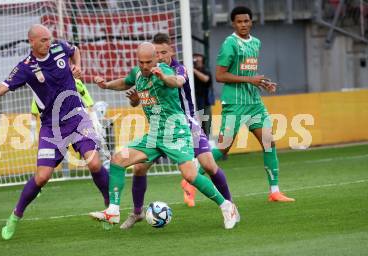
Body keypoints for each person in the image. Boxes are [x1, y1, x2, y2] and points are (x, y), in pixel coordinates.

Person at [0, 24, 109, 240]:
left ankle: (109, 208)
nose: (48, 43)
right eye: (43, 40)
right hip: (51, 126)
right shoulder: (26, 67)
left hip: (77, 117)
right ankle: (15, 216)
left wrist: (77, 66)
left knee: (94, 163)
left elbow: (75, 51)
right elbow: (1, 88)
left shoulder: (59, 48)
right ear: (32, 42)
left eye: (49, 39)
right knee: (42, 177)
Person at [89, 42, 240, 230]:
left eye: (149, 62)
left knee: (190, 175)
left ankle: (227, 205)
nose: (145, 66)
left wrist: (163, 76)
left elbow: (177, 81)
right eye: (141, 62)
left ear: (156, 59)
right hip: (155, 134)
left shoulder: (164, 70)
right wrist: (106, 85)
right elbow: (125, 82)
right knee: (118, 160)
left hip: (175, 132)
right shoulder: (137, 72)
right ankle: (113, 210)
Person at [213, 6, 294, 202]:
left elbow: (249, 73)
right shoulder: (230, 44)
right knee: (224, 147)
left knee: (269, 143)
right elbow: (220, 75)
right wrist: (250, 80)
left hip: (254, 102)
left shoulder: (256, 43)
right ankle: (192, 172)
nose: (243, 24)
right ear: (233, 23)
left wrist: (263, 83)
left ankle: (274, 191)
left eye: (246, 21)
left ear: (251, 22)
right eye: (239, 21)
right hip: (234, 102)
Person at [193, 53, 215, 136]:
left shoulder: (205, 70)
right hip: (195, 101)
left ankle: (207, 140)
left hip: (205, 101)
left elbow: (205, 79)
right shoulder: (190, 70)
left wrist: (194, 70)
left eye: (198, 57)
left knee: (206, 122)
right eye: (195, 57)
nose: (196, 59)